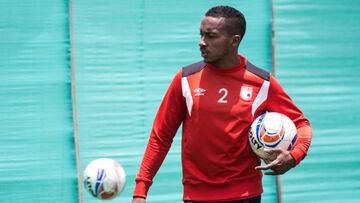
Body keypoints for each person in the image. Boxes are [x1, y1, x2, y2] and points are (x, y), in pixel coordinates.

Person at [132, 5, 312, 203]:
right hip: (196, 197)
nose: (201, 42)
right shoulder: (185, 79)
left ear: (234, 41)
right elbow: (161, 137)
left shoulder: (262, 83)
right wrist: (141, 190)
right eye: (201, 35)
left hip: (246, 196)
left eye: (210, 36)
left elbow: (302, 125)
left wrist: (294, 155)